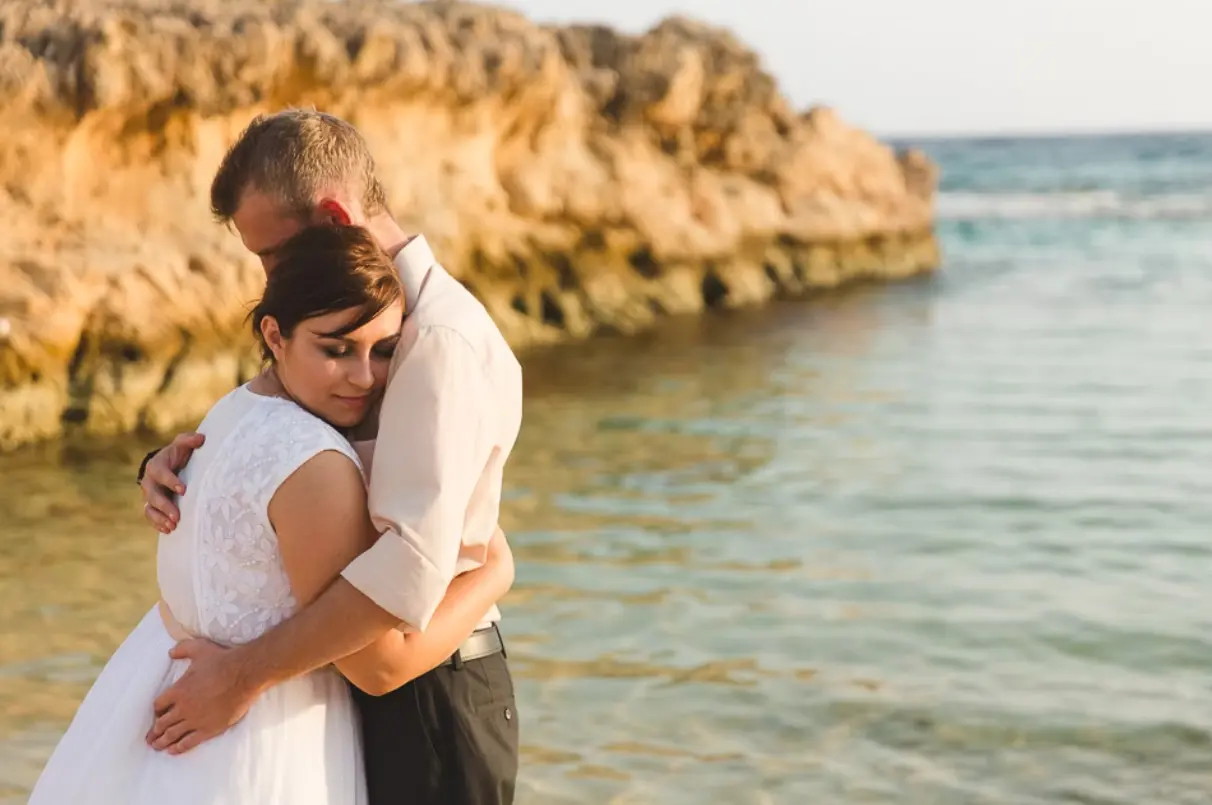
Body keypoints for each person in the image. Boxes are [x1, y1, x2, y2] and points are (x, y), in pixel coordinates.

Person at [27, 224, 515, 805]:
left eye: (383, 351)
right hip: (263, 737)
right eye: (336, 349)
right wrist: (494, 572)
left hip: (157, 690)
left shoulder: (230, 411)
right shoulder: (317, 466)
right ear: (275, 335)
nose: (364, 377)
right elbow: (379, 668)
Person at [139, 109, 524, 805]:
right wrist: (175, 463)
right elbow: (284, 433)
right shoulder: (352, 321)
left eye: (273, 257)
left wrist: (241, 676)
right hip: (352, 673)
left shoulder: (437, 342)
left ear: (335, 217)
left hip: (433, 695)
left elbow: (407, 573)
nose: (269, 279)